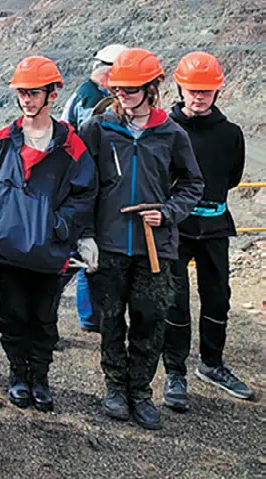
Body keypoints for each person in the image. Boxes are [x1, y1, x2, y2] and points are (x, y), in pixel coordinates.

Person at [78, 47, 204, 430]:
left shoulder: (171, 134)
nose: (123, 96)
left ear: (152, 88)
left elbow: (192, 184)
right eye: (118, 90)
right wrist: (85, 235)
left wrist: (166, 213)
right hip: (110, 244)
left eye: (132, 89)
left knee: (150, 321)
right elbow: (82, 186)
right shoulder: (98, 130)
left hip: (155, 248)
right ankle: (115, 388)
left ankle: (140, 393)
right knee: (111, 320)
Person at [0, 56, 96, 412]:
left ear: (52, 94)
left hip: (48, 250)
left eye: (34, 93)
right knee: (13, 314)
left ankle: (40, 377)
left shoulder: (71, 145)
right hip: (9, 249)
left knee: (44, 317)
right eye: (22, 93)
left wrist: (60, 227)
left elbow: (85, 193)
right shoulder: (3, 140)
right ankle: (18, 375)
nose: (27, 100)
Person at [162, 52, 255, 410]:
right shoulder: (168, 130)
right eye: (193, 89)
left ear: (218, 91)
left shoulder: (230, 134)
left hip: (214, 225)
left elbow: (230, 177)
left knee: (218, 296)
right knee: (175, 300)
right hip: (177, 226)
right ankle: (175, 371)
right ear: (180, 87)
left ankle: (212, 364)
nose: (199, 96)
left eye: (206, 90)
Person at [63, 43, 127, 333]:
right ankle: (89, 317)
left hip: (82, 183)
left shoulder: (87, 93)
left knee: (88, 253)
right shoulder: (91, 101)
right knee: (81, 254)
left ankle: (91, 316)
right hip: (88, 186)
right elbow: (91, 144)